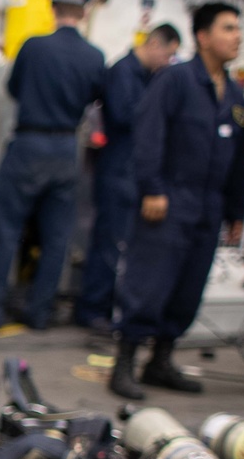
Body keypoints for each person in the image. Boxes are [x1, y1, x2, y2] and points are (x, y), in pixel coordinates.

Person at [109, 3, 244, 399]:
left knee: (188, 288)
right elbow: (148, 135)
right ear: (203, 37)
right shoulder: (175, 81)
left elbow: (239, 159)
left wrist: (235, 210)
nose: (237, 36)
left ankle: (160, 361)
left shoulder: (235, 95)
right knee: (148, 283)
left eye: (238, 29)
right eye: (228, 28)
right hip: (169, 201)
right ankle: (124, 363)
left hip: (209, 207)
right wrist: (152, 188)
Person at [0, 0, 105, 330]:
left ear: (53, 4)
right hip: (65, 149)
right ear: (86, 10)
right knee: (56, 238)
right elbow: (96, 101)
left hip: (28, 144)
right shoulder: (94, 57)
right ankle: (39, 313)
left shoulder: (33, 47)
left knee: (7, 232)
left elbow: (14, 88)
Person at [76, 24, 181, 330]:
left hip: (131, 172)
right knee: (108, 242)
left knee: (122, 244)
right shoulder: (123, 72)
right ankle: (92, 309)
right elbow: (126, 117)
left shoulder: (147, 77)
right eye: (168, 55)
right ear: (154, 45)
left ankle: (109, 306)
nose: (167, 62)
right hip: (117, 170)